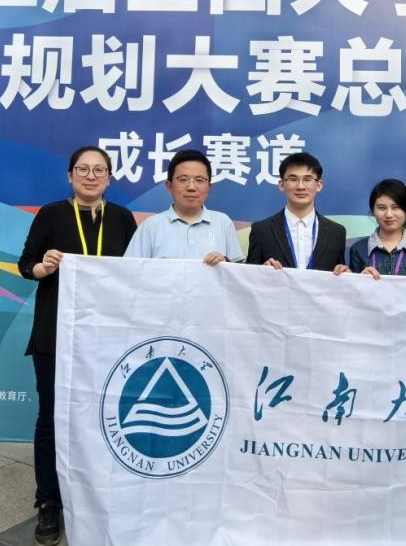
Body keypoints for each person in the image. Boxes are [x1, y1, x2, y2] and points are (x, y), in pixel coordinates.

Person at [17, 146, 137, 546]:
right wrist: (43, 266)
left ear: (109, 178)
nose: (90, 176)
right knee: (51, 418)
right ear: (70, 176)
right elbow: (25, 264)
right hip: (56, 334)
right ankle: (49, 501)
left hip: (109, 339)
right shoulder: (51, 214)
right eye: (83, 169)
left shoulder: (121, 219)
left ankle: (97, 497)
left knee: (104, 419)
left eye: (99, 170)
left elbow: (136, 273)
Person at [124, 149, 244, 263]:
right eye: (183, 179)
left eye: (199, 180)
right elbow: (130, 270)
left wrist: (226, 262)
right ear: (169, 186)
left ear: (209, 187)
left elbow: (238, 271)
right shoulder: (150, 227)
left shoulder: (223, 223)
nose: (191, 187)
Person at [246, 152, 346, 271]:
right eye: (293, 179)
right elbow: (249, 277)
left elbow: (340, 275)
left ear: (319, 185)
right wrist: (262, 270)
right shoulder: (261, 230)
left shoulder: (336, 233)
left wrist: (344, 273)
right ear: (281, 185)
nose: (300, 186)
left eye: (308, 179)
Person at [348, 178, 406, 279]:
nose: (389, 214)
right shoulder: (358, 249)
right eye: (382, 208)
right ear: (373, 210)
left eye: (396, 207)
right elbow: (353, 287)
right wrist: (360, 279)